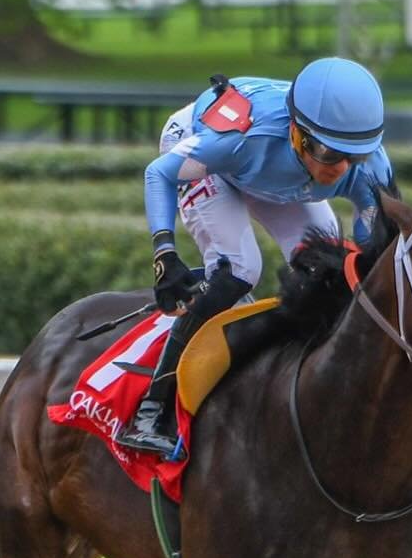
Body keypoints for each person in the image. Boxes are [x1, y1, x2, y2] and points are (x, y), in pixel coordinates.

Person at [114, 56, 396, 459]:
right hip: (208, 156)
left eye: (357, 155)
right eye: (332, 155)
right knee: (240, 267)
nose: (344, 169)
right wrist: (165, 252)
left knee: (331, 276)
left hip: (277, 175)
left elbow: (371, 265)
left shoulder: (366, 167)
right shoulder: (243, 138)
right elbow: (159, 173)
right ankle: (151, 408)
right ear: (299, 135)